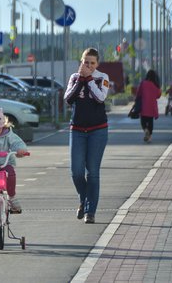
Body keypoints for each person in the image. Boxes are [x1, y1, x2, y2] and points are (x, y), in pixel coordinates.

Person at [64, 48, 110, 224]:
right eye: (86, 62)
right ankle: (84, 199)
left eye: (92, 63)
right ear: (81, 62)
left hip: (97, 130)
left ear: (97, 64)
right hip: (77, 130)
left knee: (92, 173)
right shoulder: (74, 78)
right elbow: (69, 98)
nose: (88, 65)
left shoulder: (102, 77)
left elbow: (100, 98)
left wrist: (89, 79)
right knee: (76, 172)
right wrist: (81, 80)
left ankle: (90, 211)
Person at [136, 70, 162, 143]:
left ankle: (145, 129)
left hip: (144, 106)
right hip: (152, 107)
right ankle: (149, 136)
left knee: (143, 121)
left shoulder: (143, 83)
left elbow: (138, 93)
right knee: (150, 122)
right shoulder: (155, 85)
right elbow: (158, 95)